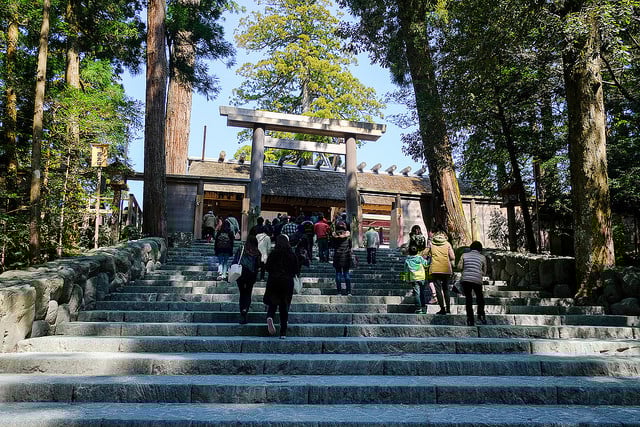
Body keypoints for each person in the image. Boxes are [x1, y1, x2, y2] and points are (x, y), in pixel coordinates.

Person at [264, 235, 299, 339]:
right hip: (287, 282)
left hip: (274, 280)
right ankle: (283, 332)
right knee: (284, 305)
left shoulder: (273, 254)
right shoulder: (291, 254)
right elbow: (296, 269)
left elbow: (267, 267)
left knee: (273, 302)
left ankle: (270, 316)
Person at [458, 241, 487, 326]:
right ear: (480, 249)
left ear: (470, 248)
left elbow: (459, 267)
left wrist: (465, 270)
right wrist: (478, 272)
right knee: (480, 297)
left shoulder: (464, 255)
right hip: (477, 280)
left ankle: (470, 319)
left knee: (468, 299)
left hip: (466, 279)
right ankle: (480, 314)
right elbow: (484, 272)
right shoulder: (482, 257)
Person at [233, 235, 260, 324]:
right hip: (251, 275)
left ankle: (242, 311)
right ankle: (245, 310)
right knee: (248, 293)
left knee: (242, 293)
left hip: (241, 273)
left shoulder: (242, 248)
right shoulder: (257, 252)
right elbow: (258, 265)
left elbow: (235, 260)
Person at [426, 229, 455, 314]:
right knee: (446, 289)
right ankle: (448, 309)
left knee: (438, 290)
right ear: (444, 236)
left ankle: (442, 309)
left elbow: (424, 254)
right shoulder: (447, 244)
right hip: (446, 269)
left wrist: (429, 249)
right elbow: (452, 257)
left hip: (435, 269)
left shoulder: (431, 243)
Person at [404, 245, 432, 314]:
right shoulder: (419, 258)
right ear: (417, 252)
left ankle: (418, 309)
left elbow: (406, 271)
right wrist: (430, 259)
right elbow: (426, 264)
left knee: (417, 294)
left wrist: (406, 279)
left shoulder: (407, 260)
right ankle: (423, 308)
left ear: (409, 252)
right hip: (422, 278)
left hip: (414, 279)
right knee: (422, 293)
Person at [332, 221, 353, 296]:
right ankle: (348, 292)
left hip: (337, 257)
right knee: (346, 274)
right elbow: (350, 246)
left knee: (338, 274)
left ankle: (339, 292)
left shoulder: (334, 236)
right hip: (346, 257)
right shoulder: (348, 236)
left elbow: (332, 245)